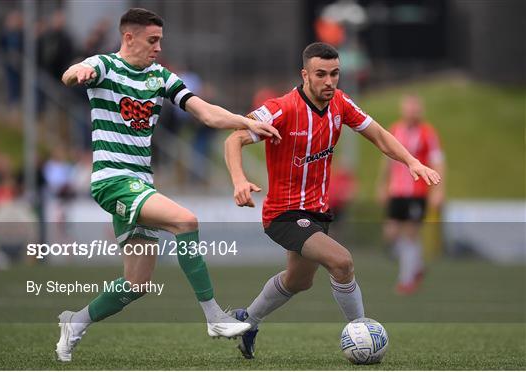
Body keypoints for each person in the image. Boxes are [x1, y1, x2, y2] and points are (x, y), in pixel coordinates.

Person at [56, 8, 281, 362]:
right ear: (129, 37)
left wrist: (247, 122)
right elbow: (71, 74)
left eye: (160, 40)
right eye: (152, 40)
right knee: (186, 221)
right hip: (112, 180)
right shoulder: (104, 65)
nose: (159, 47)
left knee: (137, 284)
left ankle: (75, 321)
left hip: (140, 183)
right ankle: (214, 317)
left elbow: (205, 112)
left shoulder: (160, 77)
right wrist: (78, 71)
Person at [223, 42, 441, 359]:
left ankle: (248, 320)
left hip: (317, 214)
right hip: (283, 213)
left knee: (298, 281)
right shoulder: (282, 108)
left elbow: (378, 134)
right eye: (321, 74)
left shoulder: (340, 103)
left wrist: (411, 162)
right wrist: (239, 180)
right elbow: (234, 138)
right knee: (342, 262)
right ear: (305, 74)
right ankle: (363, 334)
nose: (329, 81)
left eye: (335, 74)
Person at [376, 95, 445, 295]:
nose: (412, 111)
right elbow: (388, 159)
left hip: (418, 192)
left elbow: (438, 161)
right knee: (390, 234)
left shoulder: (427, 133)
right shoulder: (395, 129)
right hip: (397, 192)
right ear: (402, 109)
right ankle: (417, 265)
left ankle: (406, 280)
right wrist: (382, 184)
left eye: (415, 108)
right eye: (409, 107)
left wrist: (438, 190)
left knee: (410, 234)